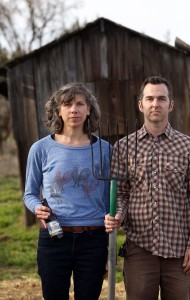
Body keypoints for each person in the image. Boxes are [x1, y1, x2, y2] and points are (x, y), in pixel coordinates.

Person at [104, 76, 190, 300]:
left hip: (179, 250)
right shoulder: (123, 147)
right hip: (139, 247)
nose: (155, 104)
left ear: (170, 105)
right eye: (149, 98)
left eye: (161, 98)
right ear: (140, 104)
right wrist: (119, 213)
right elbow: (120, 193)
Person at [23, 82, 111, 300]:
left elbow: (112, 195)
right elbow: (30, 193)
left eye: (80, 104)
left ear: (89, 109)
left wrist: (113, 225)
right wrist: (37, 208)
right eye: (67, 104)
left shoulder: (104, 149)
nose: (74, 109)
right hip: (55, 237)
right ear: (58, 110)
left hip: (94, 238)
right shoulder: (41, 148)